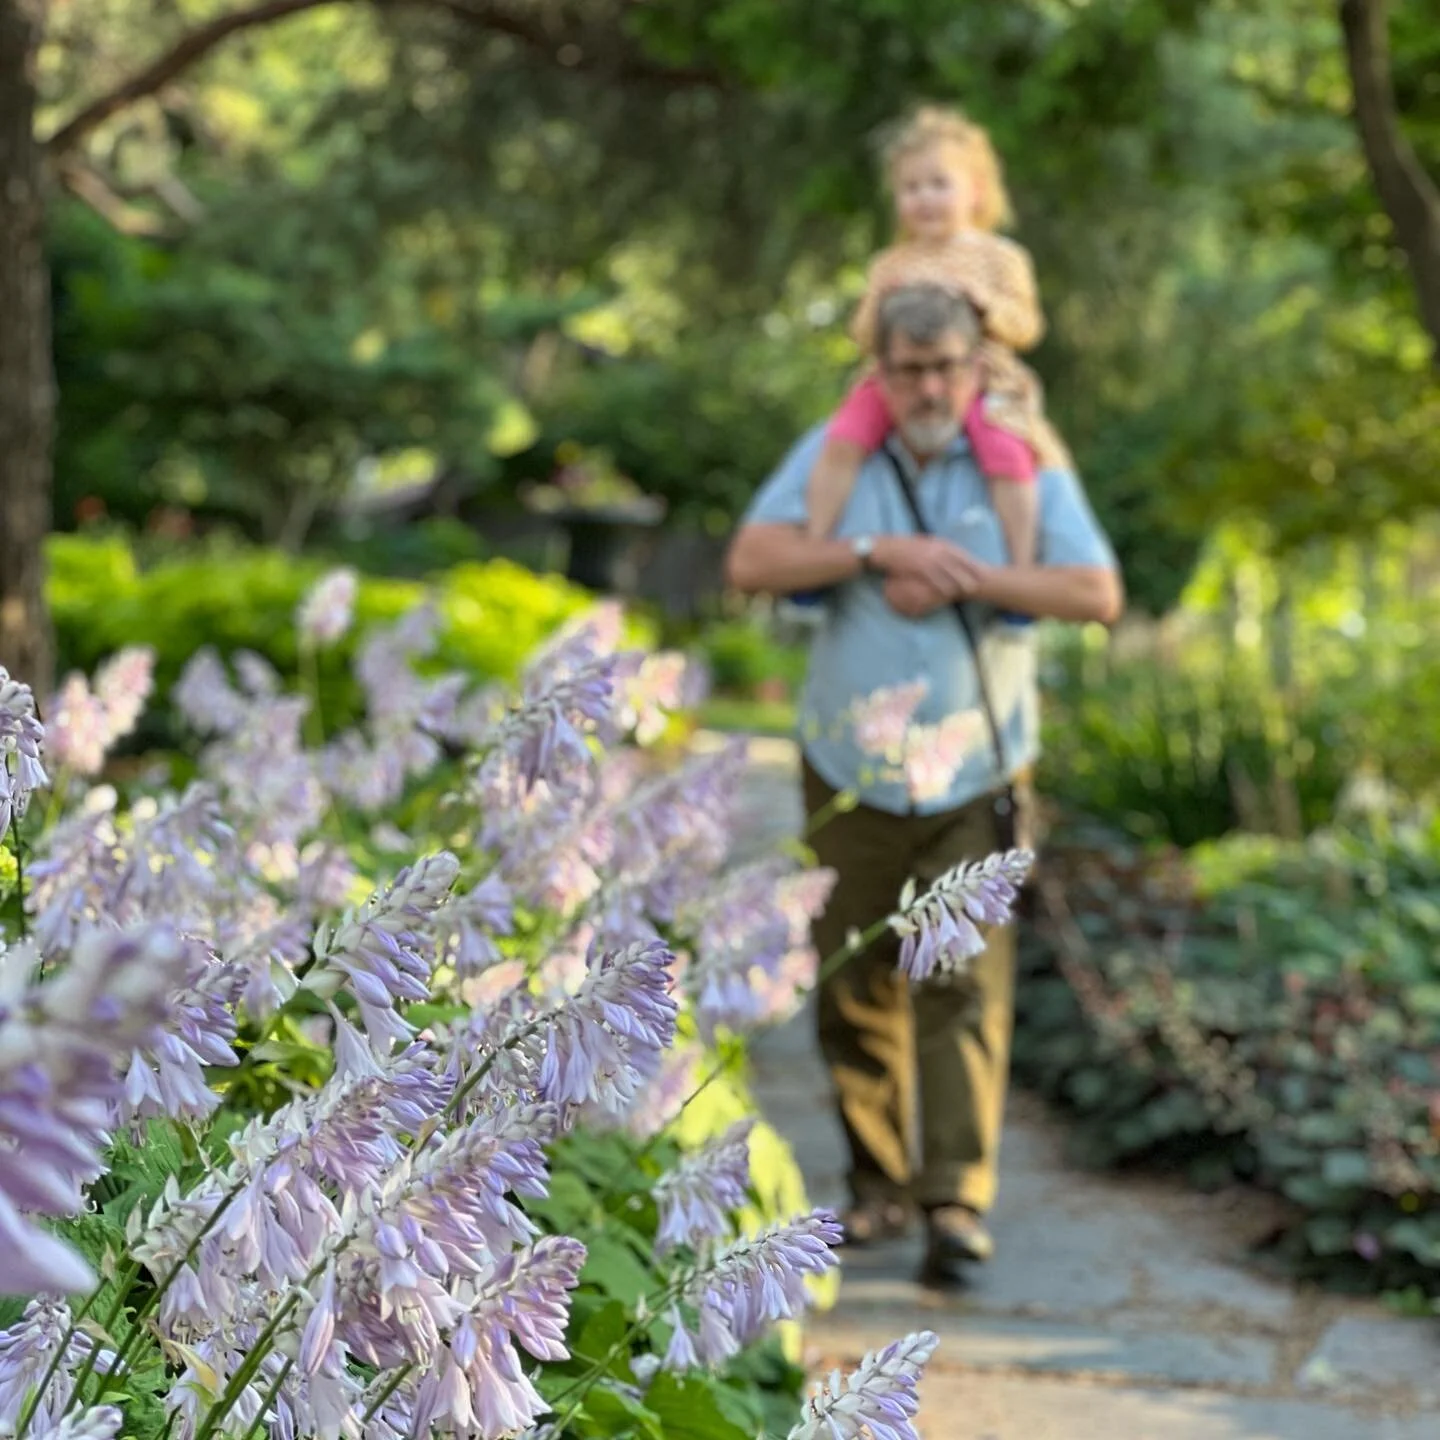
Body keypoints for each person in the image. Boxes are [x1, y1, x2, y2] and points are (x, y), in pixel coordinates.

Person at [725, 283, 1121, 1283]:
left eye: (948, 367)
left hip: (977, 769)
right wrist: (872, 551)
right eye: (910, 369)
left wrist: (962, 574)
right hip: (850, 771)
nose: (931, 386)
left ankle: (956, 1202)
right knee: (852, 977)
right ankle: (878, 1186)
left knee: (960, 981)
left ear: (976, 366)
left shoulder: (1020, 459)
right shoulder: (838, 456)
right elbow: (753, 558)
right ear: (882, 372)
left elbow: (1094, 591)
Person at [804, 107, 1073, 610]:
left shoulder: (1000, 258)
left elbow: (1027, 327)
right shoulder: (891, 263)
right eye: (911, 188)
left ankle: (1020, 571)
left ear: (975, 190)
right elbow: (862, 335)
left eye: (938, 184)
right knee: (840, 441)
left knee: (1008, 453)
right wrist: (882, 305)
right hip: (895, 383)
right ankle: (818, 552)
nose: (924, 198)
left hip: (981, 379)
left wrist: (983, 303)